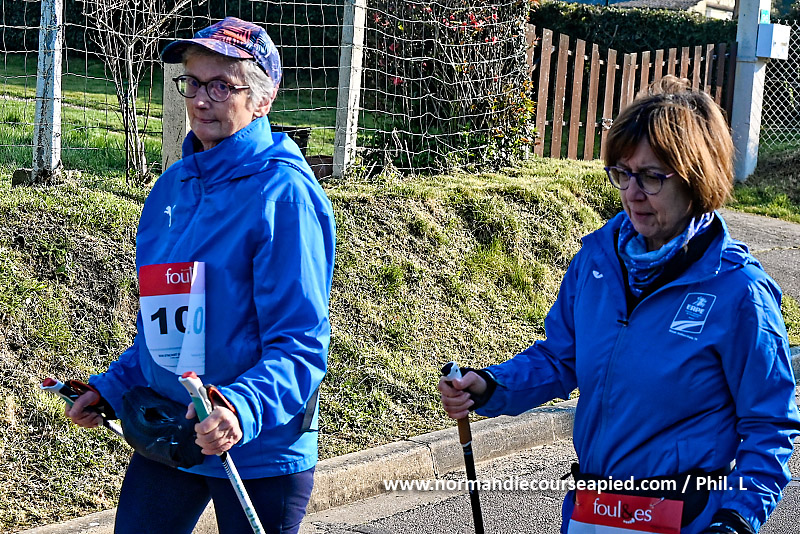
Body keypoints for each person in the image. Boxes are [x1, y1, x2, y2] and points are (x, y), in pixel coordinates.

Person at [439, 76, 800, 534]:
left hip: (685, 518)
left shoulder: (739, 291)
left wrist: (735, 519)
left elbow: (770, 426)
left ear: (696, 178)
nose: (632, 192)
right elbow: (562, 357)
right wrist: (491, 385)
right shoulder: (597, 259)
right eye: (623, 173)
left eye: (651, 176)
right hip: (593, 510)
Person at [65, 17, 335, 534]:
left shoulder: (285, 197)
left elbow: (301, 344)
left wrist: (239, 407)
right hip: (173, 431)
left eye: (221, 86)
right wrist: (114, 387)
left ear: (262, 99)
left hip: (257, 448)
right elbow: (169, 327)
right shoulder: (172, 188)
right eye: (192, 83)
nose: (201, 101)